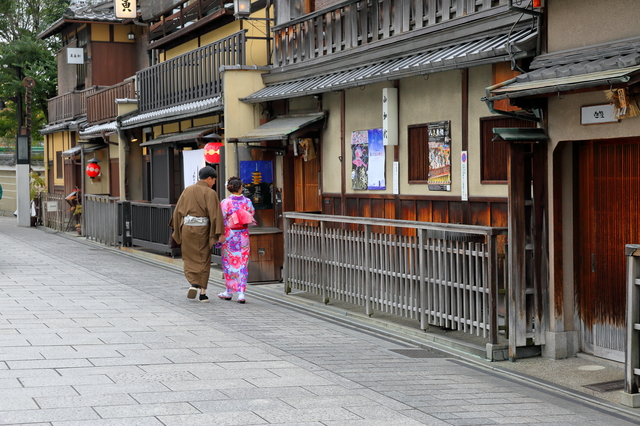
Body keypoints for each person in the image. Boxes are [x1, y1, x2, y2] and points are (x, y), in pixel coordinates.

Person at [170, 166, 225, 302]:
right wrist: (219, 232)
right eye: (213, 180)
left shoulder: (187, 190)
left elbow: (178, 211)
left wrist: (177, 228)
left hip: (187, 229)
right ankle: (203, 293)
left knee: (189, 257)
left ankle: (194, 283)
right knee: (204, 259)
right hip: (203, 230)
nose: (213, 183)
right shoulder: (210, 193)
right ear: (209, 178)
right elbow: (215, 214)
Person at [218, 176, 254, 304]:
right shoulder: (247, 201)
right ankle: (241, 293)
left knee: (229, 263)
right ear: (240, 188)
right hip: (243, 235)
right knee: (243, 263)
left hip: (230, 235)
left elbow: (221, 218)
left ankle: (228, 291)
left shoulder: (225, 202)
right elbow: (251, 214)